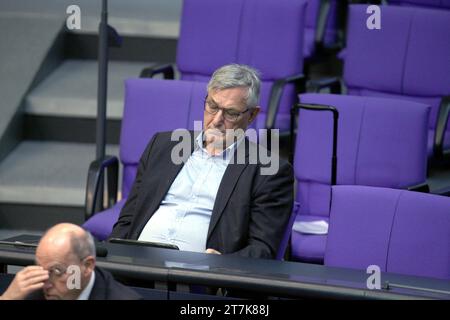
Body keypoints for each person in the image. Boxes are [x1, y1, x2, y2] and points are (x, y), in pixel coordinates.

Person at [110, 64, 294, 259]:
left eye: (231, 113)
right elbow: (128, 220)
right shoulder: (162, 146)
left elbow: (262, 249)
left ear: (252, 115)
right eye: (212, 106)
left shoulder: (268, 170)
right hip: (137, 267)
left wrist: (222, 264)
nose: (216, 120)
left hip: (201, 280)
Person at [0, 223, 141, 300]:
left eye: (56, 271)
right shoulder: (32, 292)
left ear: (87, 266)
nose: (45, 284)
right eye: (40, 270)